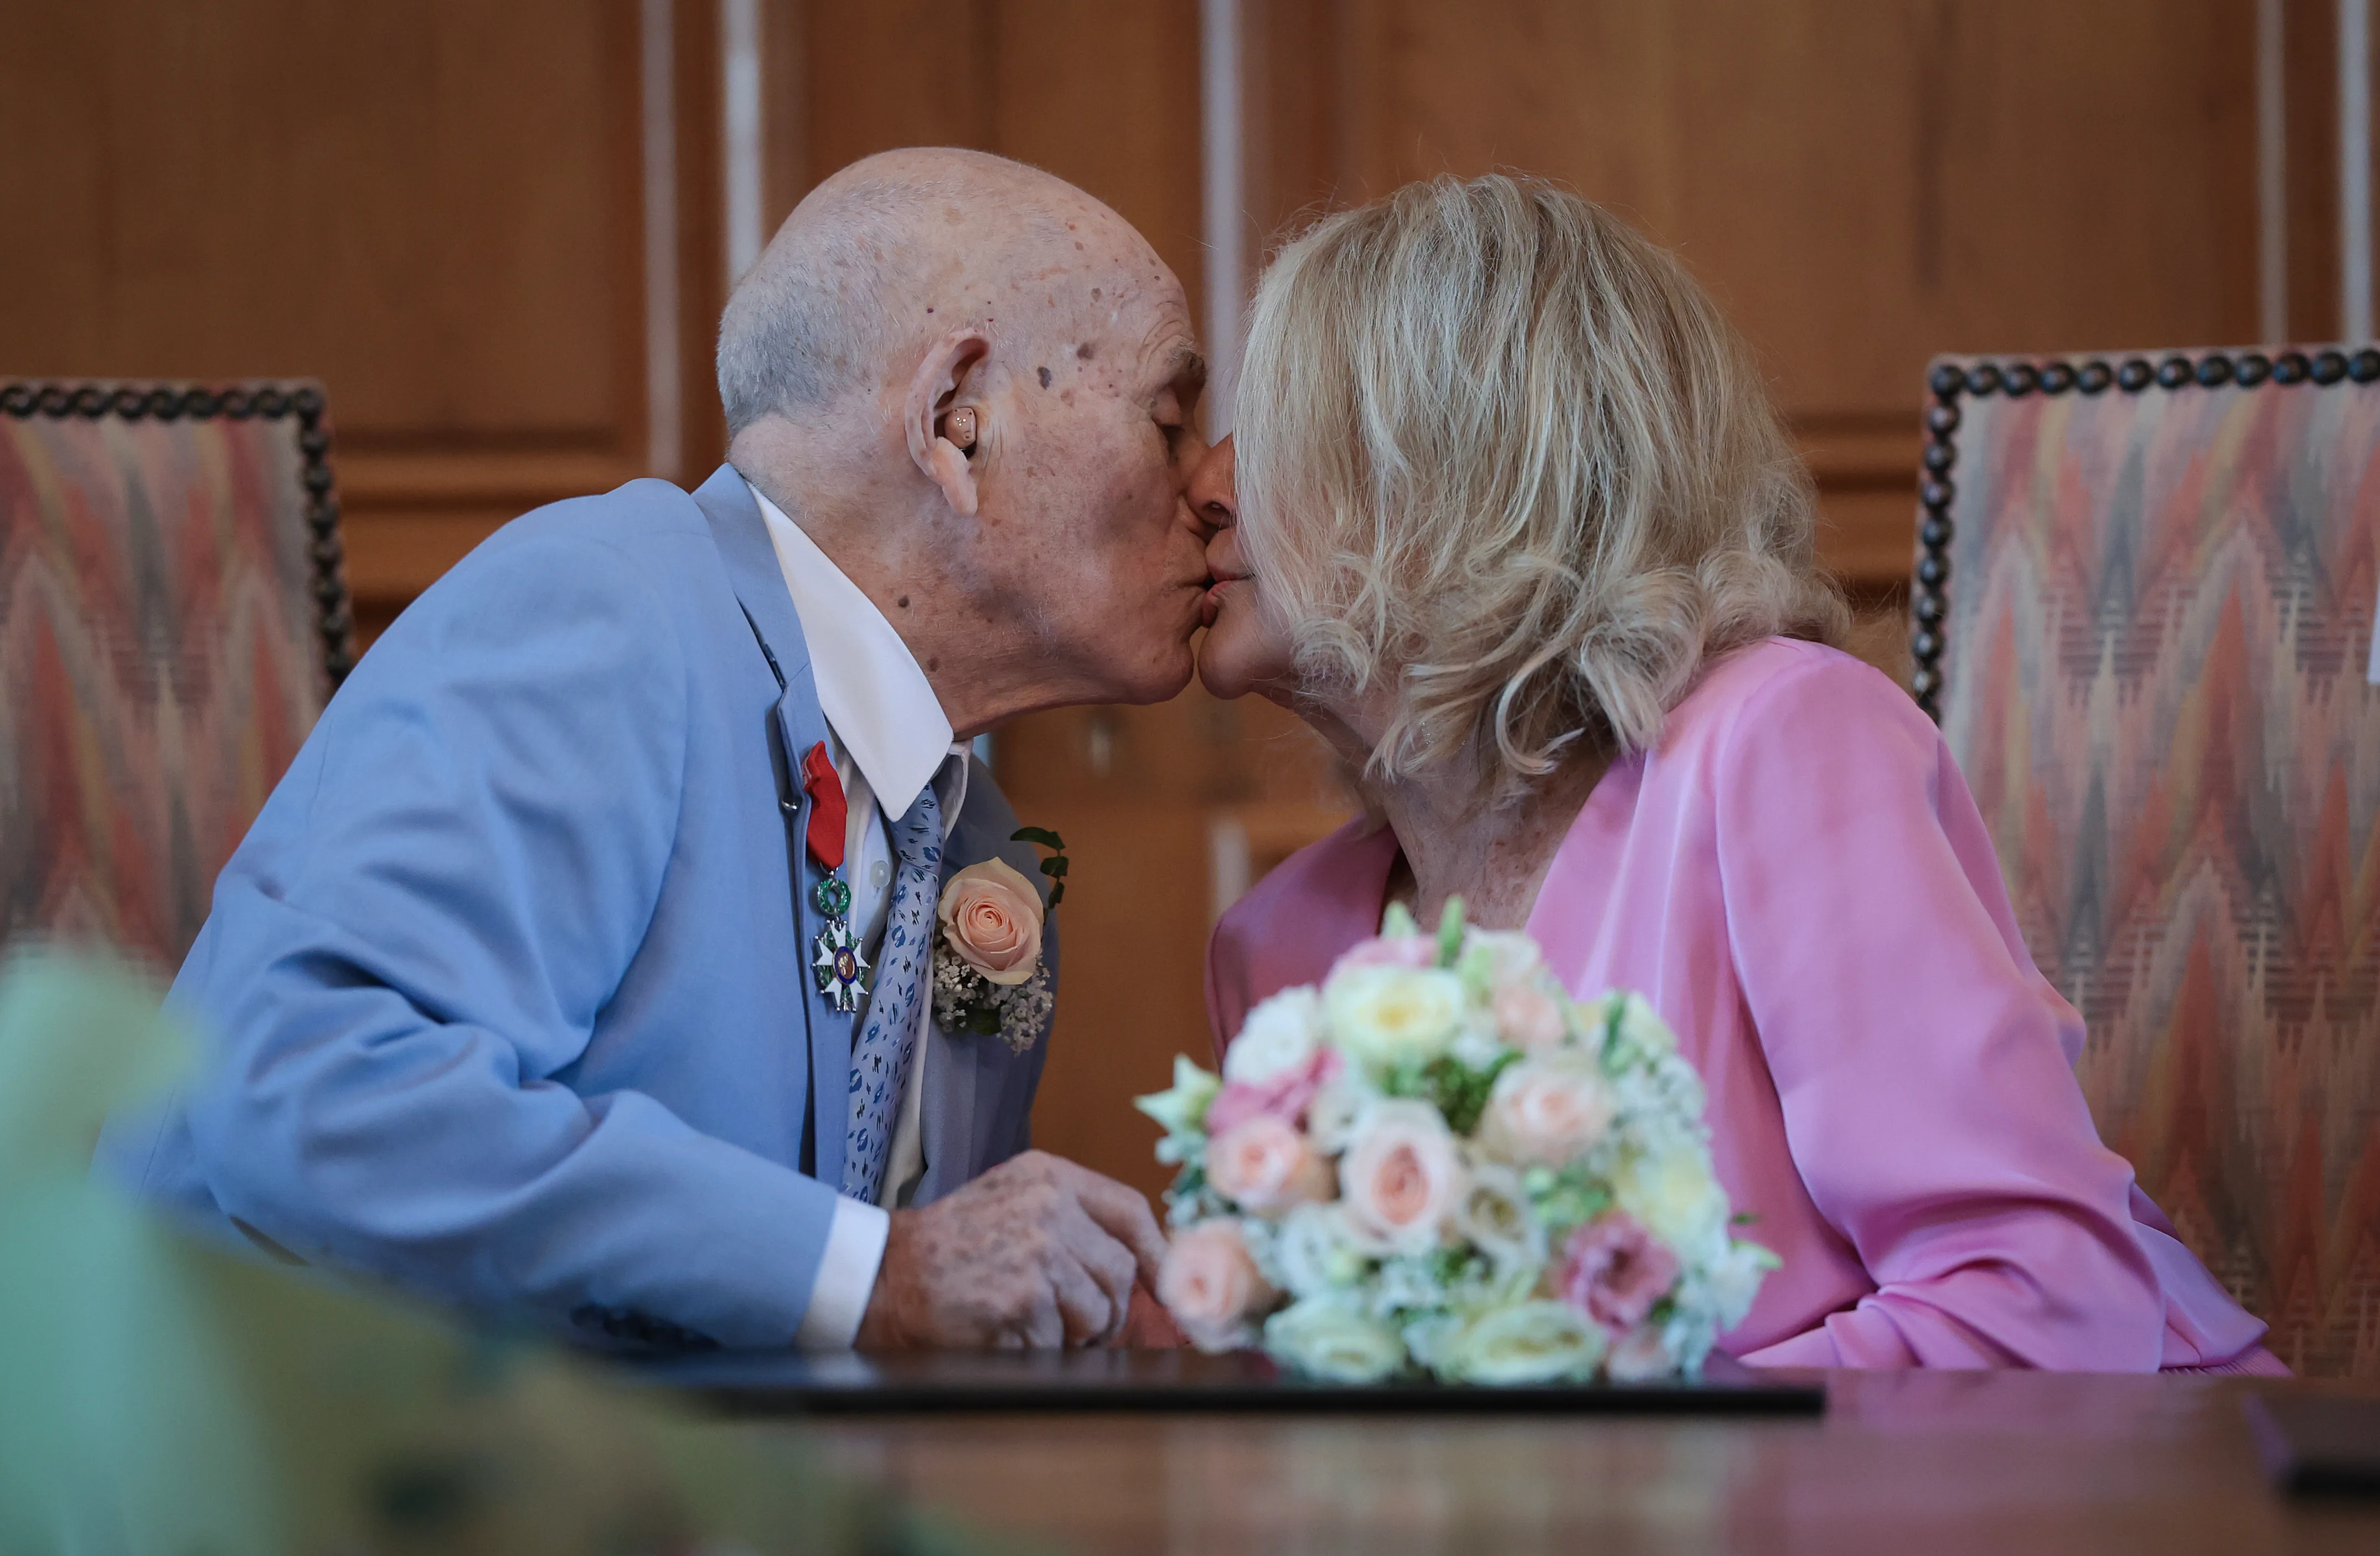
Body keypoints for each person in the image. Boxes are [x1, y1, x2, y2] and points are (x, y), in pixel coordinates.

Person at [99, 148, 1211, 1353]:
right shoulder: (603, 610)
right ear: (955, 419)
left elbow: (914, 1303)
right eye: (1169, 419)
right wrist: (872, 1272)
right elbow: (307, 1089)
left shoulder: (975, 839)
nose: (1211, 486)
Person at [1190, 173, 2283, 1372]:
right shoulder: (1277, 943)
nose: (1205, 485)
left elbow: (2041, 1300)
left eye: (1270, 424)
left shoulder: (1782, 742)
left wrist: (1629, 1460)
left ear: (1453, 467)